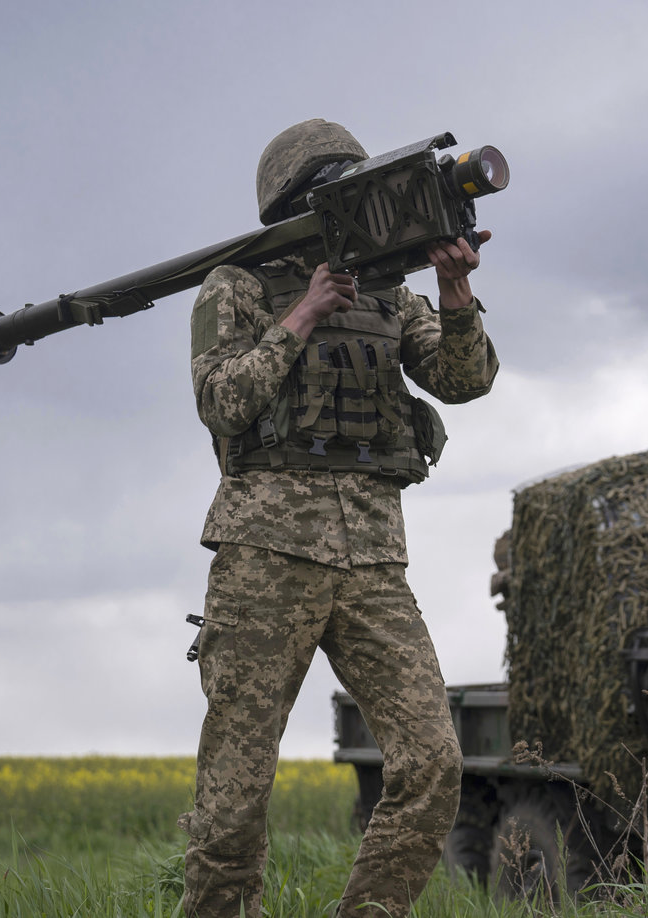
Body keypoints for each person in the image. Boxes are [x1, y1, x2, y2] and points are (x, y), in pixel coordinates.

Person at [179, 119, 499, 917]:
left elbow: (465, 381)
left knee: (433, 762)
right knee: (235, 791)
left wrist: (456, 293)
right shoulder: (236, 285)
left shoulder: (392, 294)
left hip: (373, 563)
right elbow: (223, 401)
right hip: (266, 556)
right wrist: (304, 315)